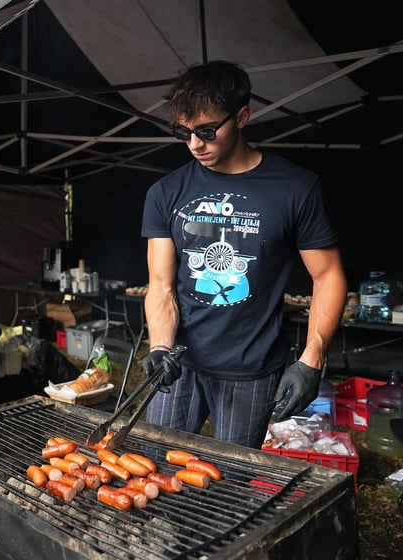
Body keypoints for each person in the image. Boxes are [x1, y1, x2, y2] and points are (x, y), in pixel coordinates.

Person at [140, 60, 347, 449]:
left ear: (243, 117)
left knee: (232, 472)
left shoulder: (295, 189)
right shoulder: (165, 193)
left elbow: (328, 276)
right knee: (156, 460)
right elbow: (161, 285)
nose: (195, 144)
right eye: (184, 132)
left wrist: (312, 359)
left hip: (252, 368)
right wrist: (160, 347)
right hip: (180, 362)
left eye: (207, 131)